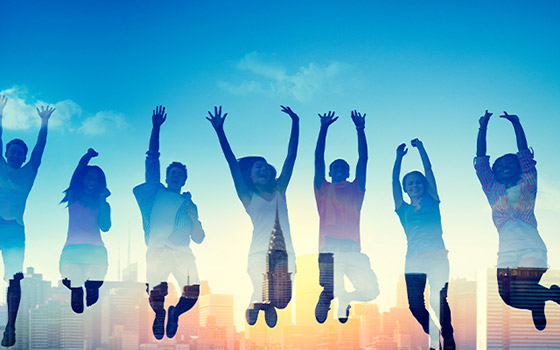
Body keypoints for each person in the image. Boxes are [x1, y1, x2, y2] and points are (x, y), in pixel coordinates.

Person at [207, 105, 298, 328]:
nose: (263, 170)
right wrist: (220, 130)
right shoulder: (247, 196)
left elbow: (291, 157)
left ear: (271, 172)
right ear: (250, 176)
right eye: (257, 168)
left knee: (283, 302)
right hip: (259, 253)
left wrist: (296, 123)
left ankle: (265, 305)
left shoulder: (280, 191)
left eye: (265, 167)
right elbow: (231, 163)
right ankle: (257, 304)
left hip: (285, 256)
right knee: (260, 288)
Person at [475, 110, 560, 331]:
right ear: (495, 173)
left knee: (522, 289)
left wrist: (516, 123)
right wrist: (482, 128)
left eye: (509, 164)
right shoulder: (492, 189)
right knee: (508, 298)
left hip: (532, 248)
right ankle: (540, 300)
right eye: (499, 166)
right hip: (506, 253)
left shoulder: (528, 184)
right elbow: (482, 164)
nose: (504, 167)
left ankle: (549, 295)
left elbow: (524, 155)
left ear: (519, 168)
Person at [134, 105, 204, 340]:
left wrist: (193, 216)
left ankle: (175, 313)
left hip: (183, 251)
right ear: (166, 177)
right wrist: (156, 128)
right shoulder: (156, 192)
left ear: (184, 179)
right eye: (172, 173)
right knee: (156, 292)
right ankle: (160, 313)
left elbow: (199, 237)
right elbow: (152, 160)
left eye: (180, 174)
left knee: (193, 293)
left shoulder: (188, 204)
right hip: (157, 250)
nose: (175, 176)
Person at [313, 110, 379, 324]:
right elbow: (318, 159)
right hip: (329, 250)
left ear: (349, 173)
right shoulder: (323, 189)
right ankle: (328, 296)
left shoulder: (356, 190)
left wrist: (361, 129)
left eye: (344, 167)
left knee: (371, 292)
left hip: (352, 249)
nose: (340, 168)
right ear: (331, 173)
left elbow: (364, 159)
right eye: (336, 167)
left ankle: (345, 299)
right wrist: (324, 128)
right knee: (331, 286)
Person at [0, 95, 54, 347]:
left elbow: (40, 150)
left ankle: (10, 326)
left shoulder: (29, 173)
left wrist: (43, 123)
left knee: (14, 278)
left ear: (23, 158)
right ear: (6, 153)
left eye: (20, 153)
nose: (15, 156)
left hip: (14, 231)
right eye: (12, 152)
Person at [392, 138, 455, 350]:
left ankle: (448, 335)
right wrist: (398, 158)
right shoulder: (402, 209)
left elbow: (428, 169)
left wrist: (421, 148)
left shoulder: (432, 200)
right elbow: (393, 182)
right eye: (410, 183)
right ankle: (435, 334)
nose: (415, 185)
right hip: (413, 262)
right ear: (406, 189)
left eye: (418, 182)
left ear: (424, 186)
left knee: (439, 300)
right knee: (416, 306)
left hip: (437, 258)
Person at [59, 148, 111, 314]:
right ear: (82, 180)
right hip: (73, 249)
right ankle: (77, 291)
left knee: (96, 277)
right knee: (71, 275)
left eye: (96, 180)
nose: (92, 182)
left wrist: (103, 200)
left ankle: (91, 287)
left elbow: (105, 226)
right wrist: (87, 156)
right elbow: (78, 171)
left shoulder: (103, 203)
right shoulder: (74, 196)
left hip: (95, 249)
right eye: (89, 178)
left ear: (101, 184)